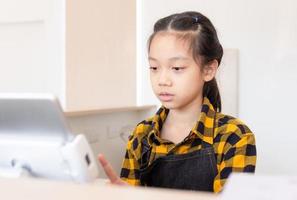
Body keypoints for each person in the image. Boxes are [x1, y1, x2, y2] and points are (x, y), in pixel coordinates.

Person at [98, 11, 256, 193]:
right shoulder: (141, 136)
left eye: (177, 68)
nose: (162, 80)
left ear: (208, 70)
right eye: (154, 67)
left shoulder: (234, 137)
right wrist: (123, 196)